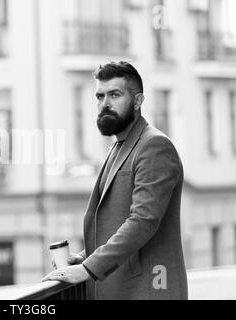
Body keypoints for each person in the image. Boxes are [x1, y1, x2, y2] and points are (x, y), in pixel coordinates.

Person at [42, 61, 188, 300]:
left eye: (115, 95)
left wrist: (87, 269)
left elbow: (142, 222)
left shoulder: (154, 146)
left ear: (138, 101)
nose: (104, 104)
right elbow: (114, 224)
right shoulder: (117, 147)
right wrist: (83, 258)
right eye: (99, 96)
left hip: (149, 291)